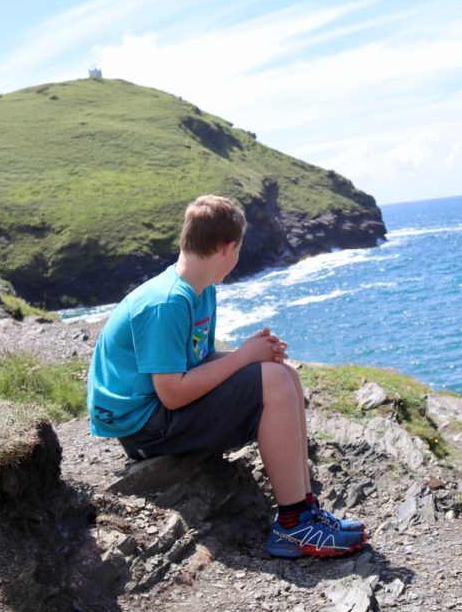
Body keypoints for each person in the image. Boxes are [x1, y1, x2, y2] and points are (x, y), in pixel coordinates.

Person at [87, 195, 367, 558]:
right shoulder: (166, 302)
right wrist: (245, 359)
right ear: (228, 247)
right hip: (143, 426)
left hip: (159, 412)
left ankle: (304, 510)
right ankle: (293, 526)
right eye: (239, 249)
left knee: (283, 375)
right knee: (275, 381)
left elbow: (196, 360)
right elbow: (172, 392)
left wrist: (250, 355)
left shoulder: (201, 291)